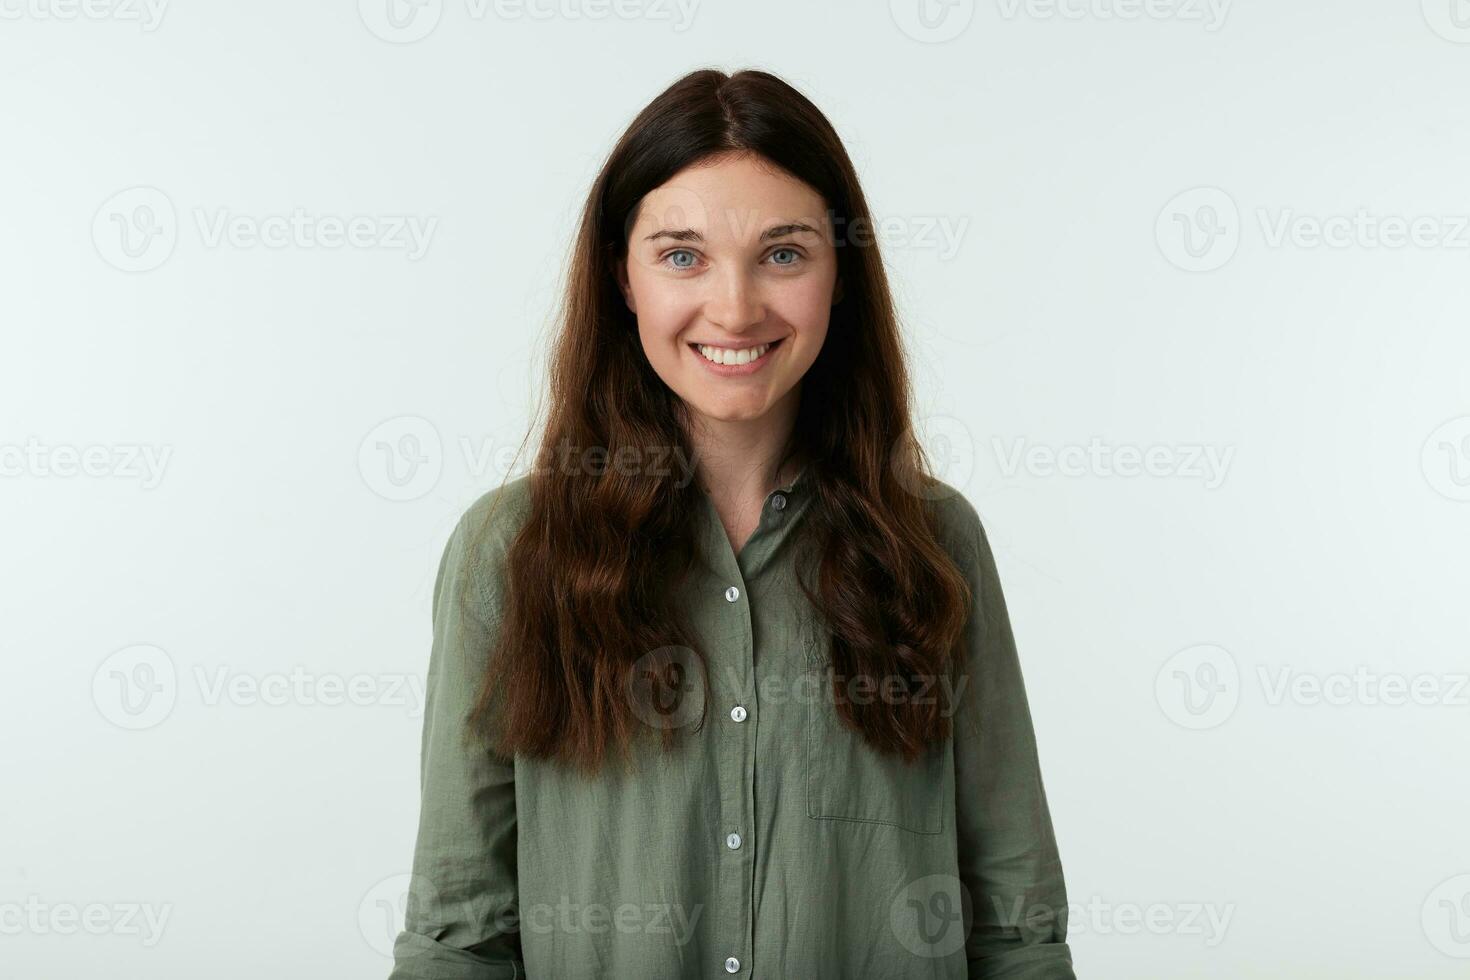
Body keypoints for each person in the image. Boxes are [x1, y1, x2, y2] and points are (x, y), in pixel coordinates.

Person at [388, 67, 1075, 980]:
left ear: (842, 274)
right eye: (682, 255)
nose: (737, 307)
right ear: (622, 280)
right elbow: (457, 935)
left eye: (784, 253)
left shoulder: (936, 545)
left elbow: (1015, 926)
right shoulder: (508, 555)